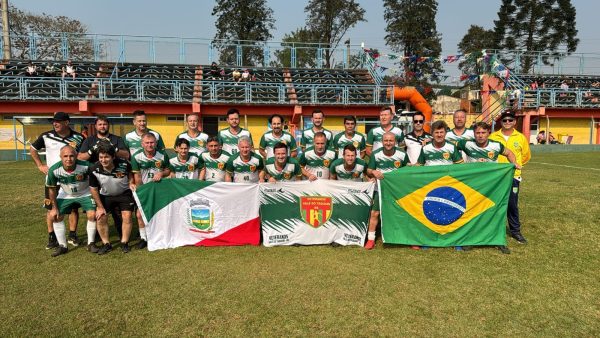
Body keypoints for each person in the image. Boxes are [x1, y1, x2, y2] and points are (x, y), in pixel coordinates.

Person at [30, 112, 85, 250]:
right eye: (53, 121)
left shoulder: (78, 137)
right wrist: (40, 165)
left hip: (72, 178)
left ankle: (73, 234)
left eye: (58, 121)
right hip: (52, 179)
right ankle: (52, 237)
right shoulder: (46, 136)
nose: (55, 124)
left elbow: (83, 156)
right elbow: (33, 149)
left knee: (73, 208)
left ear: (67, 122)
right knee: (51, 208)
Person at [78, 115, 129, 238]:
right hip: (96, 177)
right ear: (96, 126)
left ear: (108, 125)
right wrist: (91, 150)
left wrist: (113, 148)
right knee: (97, 209)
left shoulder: (116, 139)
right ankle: (95, 235)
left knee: (118, 210)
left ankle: (121, 232)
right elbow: (79, 157)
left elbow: (126, 155)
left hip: (114, 176)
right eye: (100, 124)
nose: (102, 126)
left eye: (105, 124)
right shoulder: (89, 140)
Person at [46, 146, 97, 257]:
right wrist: (54, 207)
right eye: (65, 156)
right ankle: (62, 246)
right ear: (60, 157)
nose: (68, 159)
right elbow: (52, 189)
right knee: (54, 215)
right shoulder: (54, 170)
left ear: (76, 156)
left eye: (71, 156)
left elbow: (98, 177)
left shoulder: (86, 166)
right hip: (66, 194)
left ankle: (91, 243)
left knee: (92, 215)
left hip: (85, 192)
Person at [490, 111, 531, 245]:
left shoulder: (520, 138)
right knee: (493, 204)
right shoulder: (493, 136)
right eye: (504, 120)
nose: (507, 122)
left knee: (512, 205)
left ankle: (515, 231)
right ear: (500, 122)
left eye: (510, 120)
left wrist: (515, 167)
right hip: (496, 177)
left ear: (514, 122)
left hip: (513, 177)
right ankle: (493, 230)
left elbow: (525, 156)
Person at [365, 132, 409, 250]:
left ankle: (408, 238)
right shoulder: (376, 154)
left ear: (394, 142)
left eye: (391, 141)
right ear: (382, 141)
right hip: (380, 189)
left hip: (397, 189)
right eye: (386, 141)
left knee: (404, 212)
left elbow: (407, 170)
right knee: (375, 213)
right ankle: (370, 239)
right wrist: (374, 172)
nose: (388, 143)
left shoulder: (402, 154)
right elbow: (369, 170)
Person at [89, 144, 136, 254]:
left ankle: (124, 243)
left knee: (127, 216)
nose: (103, 160)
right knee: (101, 217)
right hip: (105, 196)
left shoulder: (124, 164)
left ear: (113, 157)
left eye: (106, 157)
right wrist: (100, 207)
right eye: (101, 157)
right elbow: (94, 190)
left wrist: (131, 183)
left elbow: (130, 174)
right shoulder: (94, 169)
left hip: (124, 194)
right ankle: (106, 244)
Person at [130, 133, 170, 249]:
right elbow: (137, 177)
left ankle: (159, 234)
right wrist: (143, 192)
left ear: (156, 143)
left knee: (160, 212)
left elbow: (168, 170)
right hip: (144, 190)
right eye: (147, 143)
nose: (150, 145)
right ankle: (143, 238)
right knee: (139, 215)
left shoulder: (162, 155)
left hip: (159, 190)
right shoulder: (136, 157)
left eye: (152, 142)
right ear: (142, 144)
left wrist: (161, 173)